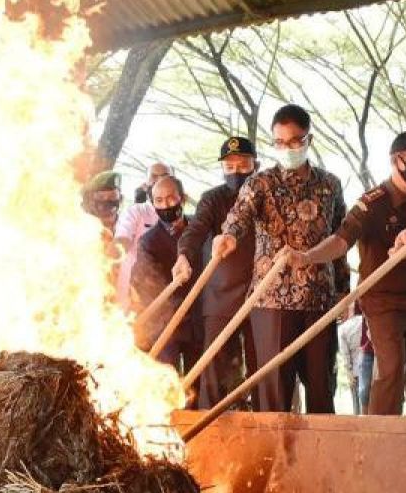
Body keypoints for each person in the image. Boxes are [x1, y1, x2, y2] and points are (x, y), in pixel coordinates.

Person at [294, 130, 406, 416]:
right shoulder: (371, 203)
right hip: (383, 303)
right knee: (391, 369)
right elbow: (341, 241)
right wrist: (308, 257)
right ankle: (381, 436)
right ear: (397, 161)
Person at [212, 104, 348, 414]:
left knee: (321, 391)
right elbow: (238, 217)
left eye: (294, 141)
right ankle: (272, 459)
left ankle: (319, 458)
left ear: (308, 140)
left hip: (319, 300)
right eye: (279, 142)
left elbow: (341, 237)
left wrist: (343, 288)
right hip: (270, 301)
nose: (287, 148)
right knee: (272, 393)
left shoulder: (330, 184)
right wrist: (227, 236)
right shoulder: (260, 183)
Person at [173, 137, 259, 409]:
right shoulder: (213, 199)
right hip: (221, 293)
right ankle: (209, 427)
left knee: (262, 365)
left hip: (263, 292)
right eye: (229, 166)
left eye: (243, 164)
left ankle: (265, 423)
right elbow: (195, 230)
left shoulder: (266, 194)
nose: (236, 171)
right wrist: (184, 255)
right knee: (213, 364)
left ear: (255, 164)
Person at [131, 176, 201, 381]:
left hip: (200, 321)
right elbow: (146, 287)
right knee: (165, 381)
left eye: (171, 198)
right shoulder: (148, 242)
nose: (166, 205)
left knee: (199, 384)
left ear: (183, 198)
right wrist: (174, 310)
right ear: (152, 204)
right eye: (159, 201)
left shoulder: (199, 230)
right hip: (165, 326)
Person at [115, 162, 171, 311]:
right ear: (146, 183)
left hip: (171, 293)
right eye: (154, 176)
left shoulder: (182, 218)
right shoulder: (135, 212)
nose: (159, 180)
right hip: (135, 294)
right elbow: (122, 240)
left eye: (164, 176)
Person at [82, 170, 123, 236]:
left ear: (120, 199)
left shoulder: (128, 227)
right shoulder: (80, 226)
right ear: (92, 200)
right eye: (101, 197)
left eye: (113, 196)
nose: (107, 200)